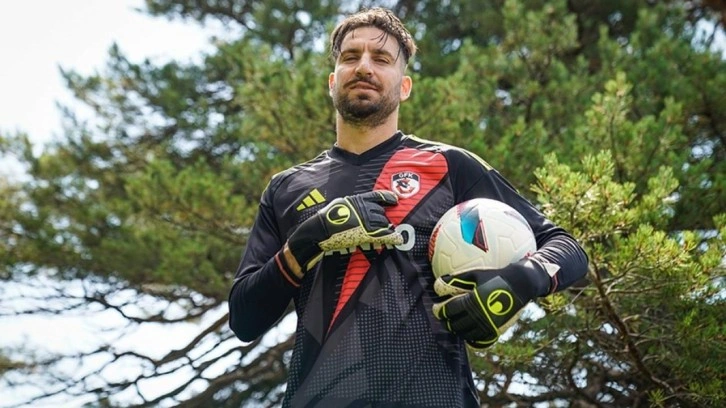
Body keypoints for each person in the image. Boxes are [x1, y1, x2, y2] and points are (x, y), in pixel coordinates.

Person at [228, 7, 588, 408]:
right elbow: (244, 318)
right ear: (332, 81)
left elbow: (568, 249)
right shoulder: (286, 188)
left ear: (404, 87)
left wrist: (519, 281)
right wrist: (308, 240)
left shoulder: (449, 165)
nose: (364, 66)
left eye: (381, 59)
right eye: (351, 56)